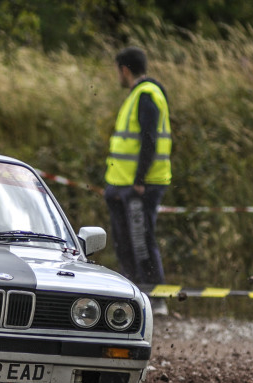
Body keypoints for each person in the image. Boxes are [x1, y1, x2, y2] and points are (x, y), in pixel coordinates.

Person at [104, 46, 172, 314]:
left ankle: (155, 299)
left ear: (124, 70)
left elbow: (149, 139)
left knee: (141, 240)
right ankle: (134, 296)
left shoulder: (145, 96)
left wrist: (140, 180)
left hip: (138, 187)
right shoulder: (140, 95)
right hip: (123, 186)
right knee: (126, 241)